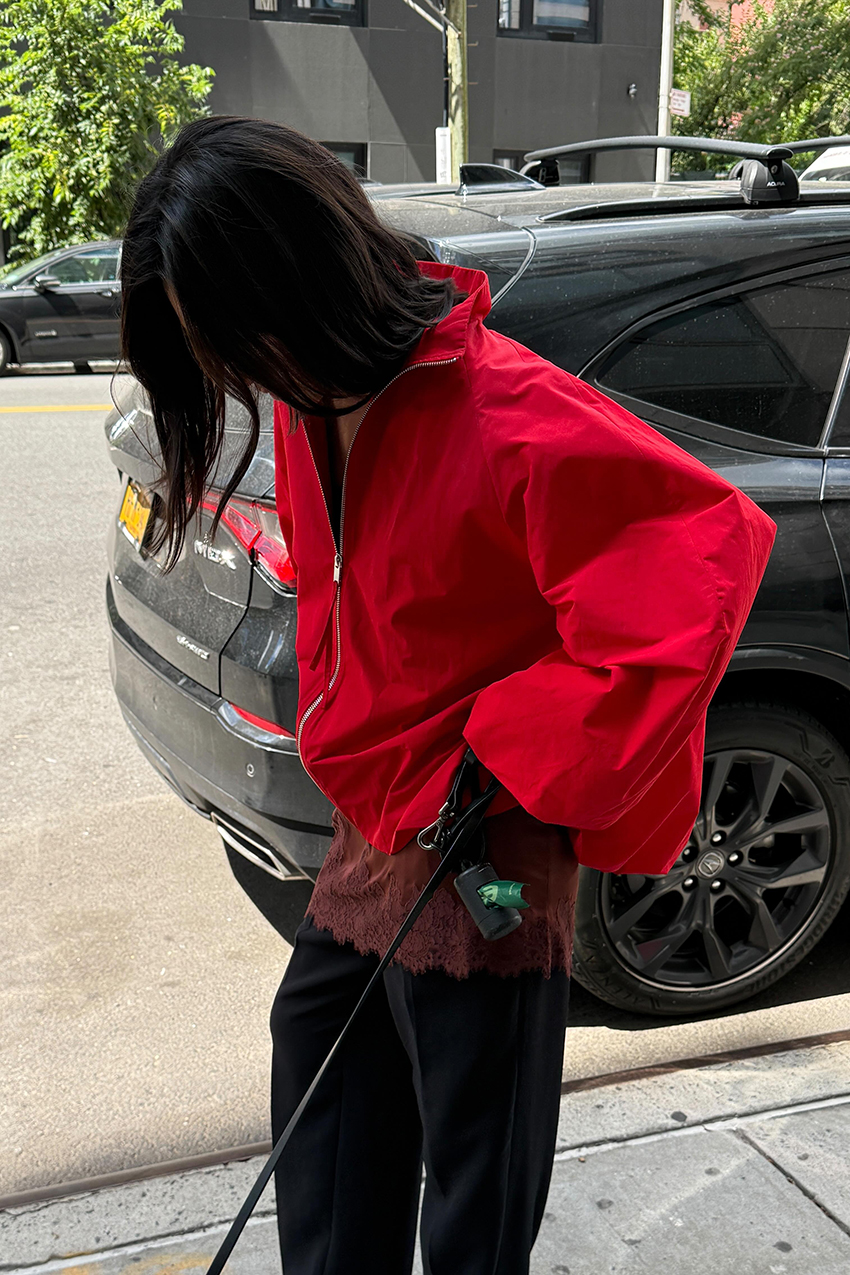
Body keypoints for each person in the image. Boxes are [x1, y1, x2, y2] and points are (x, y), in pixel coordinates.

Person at [119, 116, 777, 1275]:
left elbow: (702, 552)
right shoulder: (314, 399)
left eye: (234, 336)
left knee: (474, 1168)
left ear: (304, 286)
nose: (231, 371)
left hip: (483, 841)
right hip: (378, 818)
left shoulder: (504, 413)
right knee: (323, 1081)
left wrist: (510, 749)